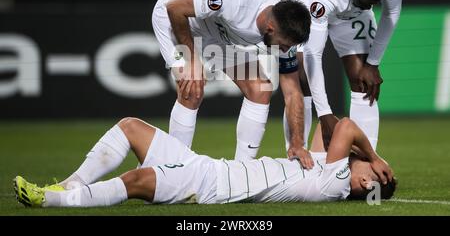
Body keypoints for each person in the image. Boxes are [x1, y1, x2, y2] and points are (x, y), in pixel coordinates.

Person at [13, 82, 396, 208]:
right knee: (130, 126)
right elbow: (331, 129)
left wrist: (374, 156)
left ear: (366, 183)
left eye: (369, 169)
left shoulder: (337, 183)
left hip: (212, 186)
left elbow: (345, 128)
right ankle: (71, 184)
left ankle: (51, 200)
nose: (361, 159)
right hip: (207, 165)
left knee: (136, 180)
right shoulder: (331, 167)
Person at [152, 0, 313, 166]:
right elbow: (175, 8)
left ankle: (241, 170)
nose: (285, 51)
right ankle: (173, 167)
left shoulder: (282, 28)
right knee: (192, 87)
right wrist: (192, 60)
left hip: (215, 31)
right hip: (176, 18)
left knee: (260, 89)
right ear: (270, 29)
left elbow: (292, 92)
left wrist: (297, 143)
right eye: (285, 46)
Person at [285, 0, 403, 150]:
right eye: (366, 2)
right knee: (301, 77)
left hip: (350, 11)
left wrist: (373, 63)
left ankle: (364, 163)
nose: (370, 8)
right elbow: (314, 54)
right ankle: (297, 159)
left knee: (364, 80)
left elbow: (391, 14)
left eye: (375, 3)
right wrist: (325, 114)